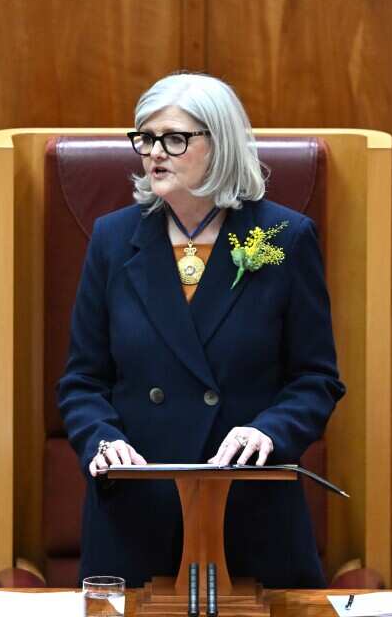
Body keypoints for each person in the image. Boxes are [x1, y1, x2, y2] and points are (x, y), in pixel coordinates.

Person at [56, 72, 344, 588]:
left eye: (174, 138)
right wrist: (101, 439)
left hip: (246, 508)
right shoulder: (113, 239)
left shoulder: (283, 237)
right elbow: (82, 381)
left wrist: (268, 431)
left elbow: (316, 379)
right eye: (145, 138)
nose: (154, 154)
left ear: (220, 143)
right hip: (138, 509)